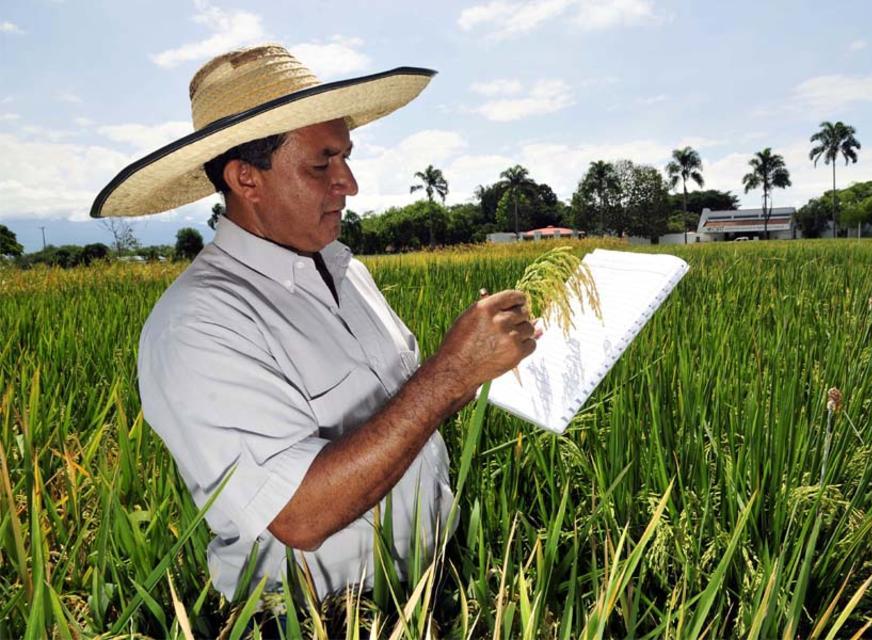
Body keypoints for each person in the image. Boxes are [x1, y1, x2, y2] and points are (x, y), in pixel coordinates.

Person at [90, 44, 537, 601]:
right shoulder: (198, 324)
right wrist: (449, 374)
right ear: (246, 180)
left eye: (345, 157)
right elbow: (300, 515)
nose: (348, 183)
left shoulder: (348, 270)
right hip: (318, 618)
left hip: (434, 582)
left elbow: (403, 410)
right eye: (321, 163)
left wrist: (477, 364)